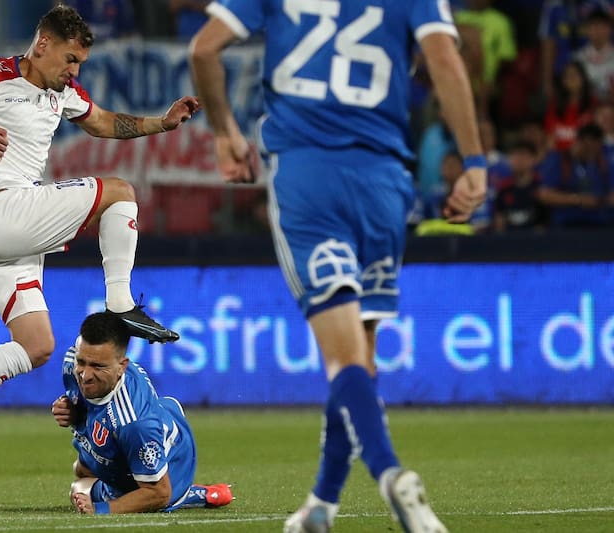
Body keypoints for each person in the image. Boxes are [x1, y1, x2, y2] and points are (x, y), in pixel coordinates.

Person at [189, 2, 487, 532]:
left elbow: (203, 48)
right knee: (362, 355)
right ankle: (321, 507)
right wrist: (476, 161)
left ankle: (391, 473)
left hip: (308, 175)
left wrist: (222, 131)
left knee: (341, 358)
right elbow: (444, 58)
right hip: (384, 182)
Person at [0, 4, 197, 471]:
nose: (74, 70)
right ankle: (120, 301)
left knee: (37, 345)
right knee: (119, 193)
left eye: (80, 62)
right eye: (69, 59)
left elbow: (101, 122)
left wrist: (159, 124)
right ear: (42, 45)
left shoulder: (62, 93)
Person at [51, 312, 233, 514]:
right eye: (82, 362)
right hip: (150, 420)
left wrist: (101, 509)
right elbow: (80, 391)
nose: (85, 375)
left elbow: (159, 493)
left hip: (171, 460)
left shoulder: (133, 422)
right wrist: (73, 410)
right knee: (80, 470)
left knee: (79, 490)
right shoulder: (71, 360)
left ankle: (189, 493)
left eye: (97, 366)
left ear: (122, 366)